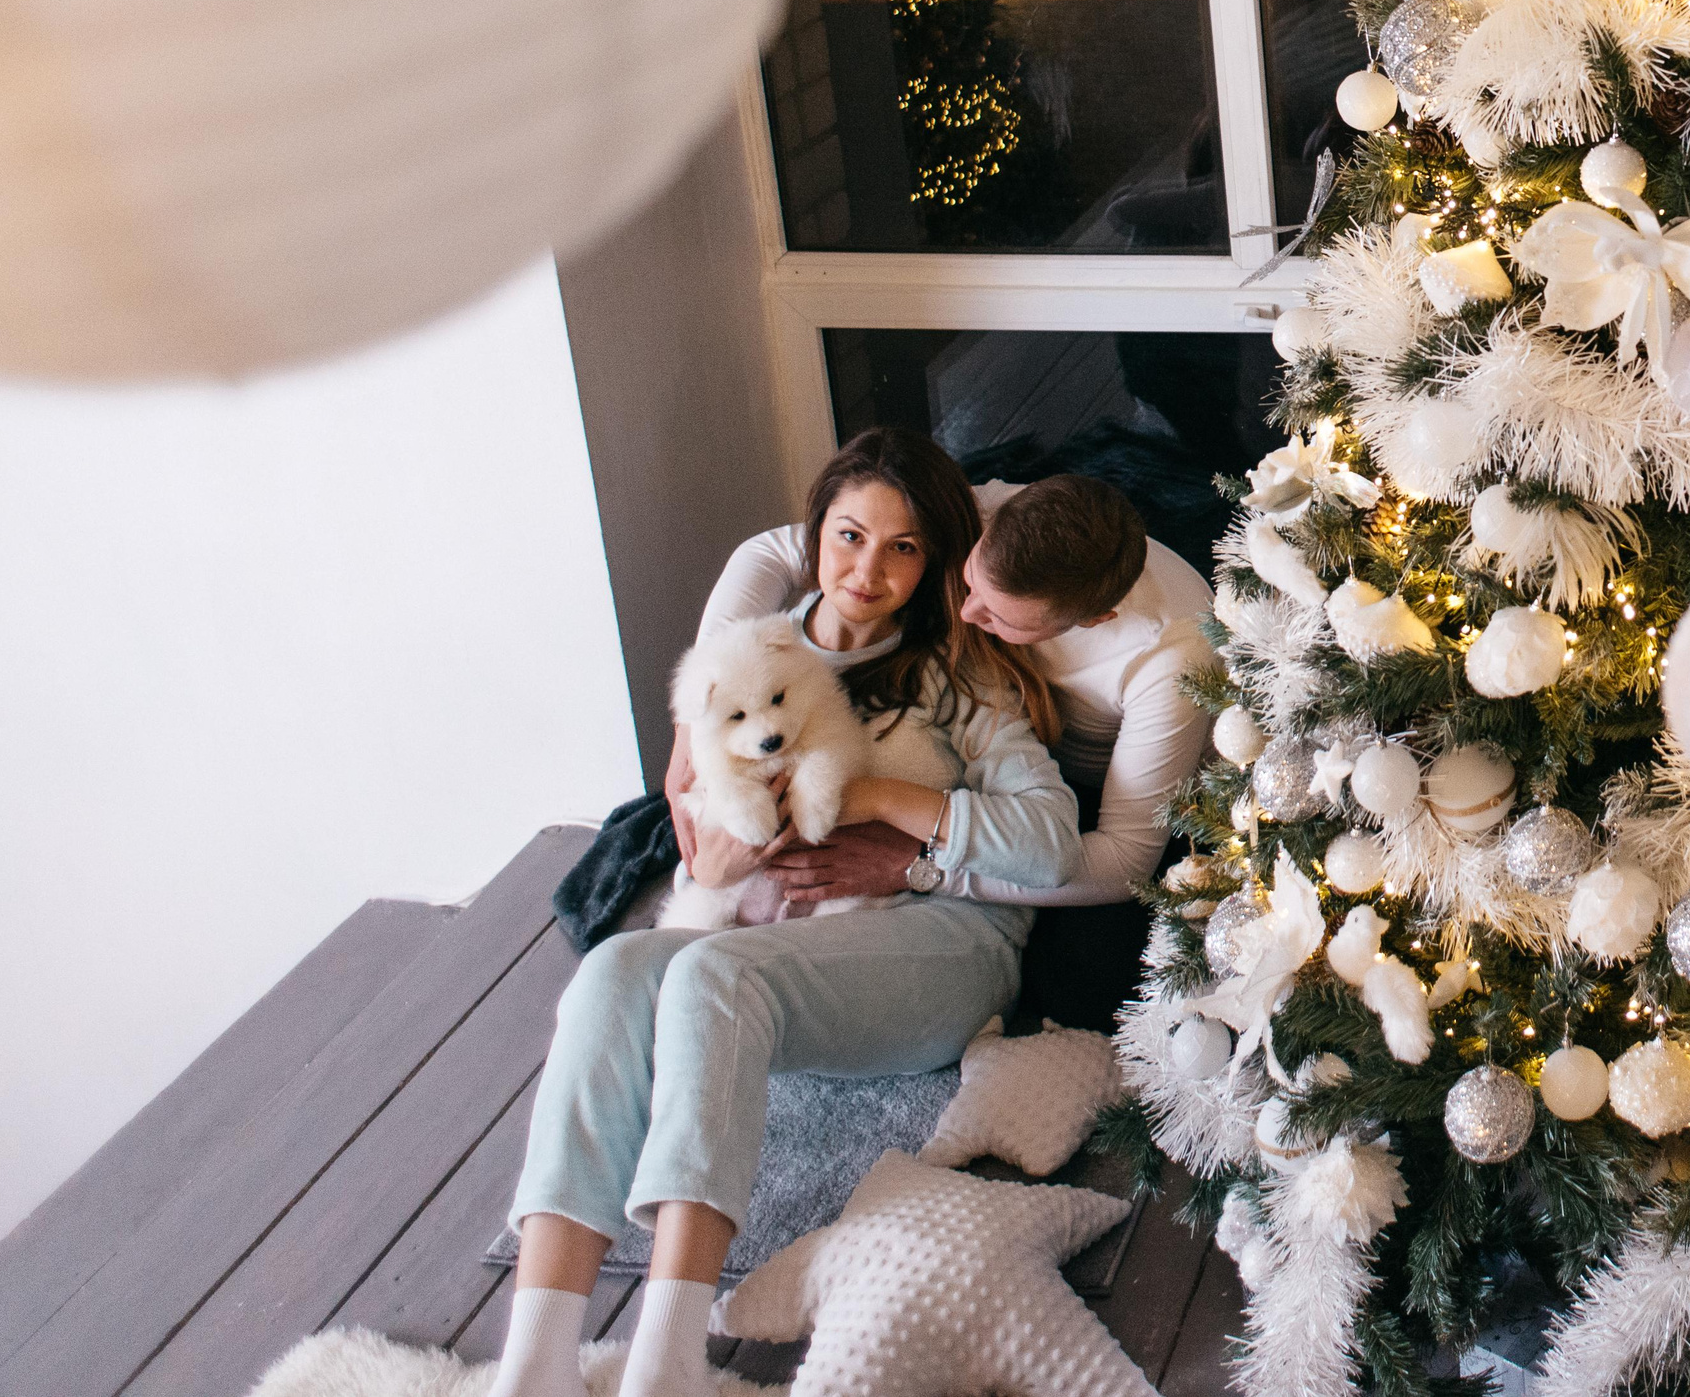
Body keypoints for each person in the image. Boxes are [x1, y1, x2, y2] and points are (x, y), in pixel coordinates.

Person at [493, 429, 1079, 1397]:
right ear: (813, 536)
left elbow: (1050, 843)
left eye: (903, 547)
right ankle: (534, 1361)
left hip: (936, 947)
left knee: (715, 975)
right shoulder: (742, 660)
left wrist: (889, 808)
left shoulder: (956, 676)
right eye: (849, 535)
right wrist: (726, 833)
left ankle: (668, 1358)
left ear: (934, 558)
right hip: (782, 950)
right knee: (614, 969)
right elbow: (705, 843)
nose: (867, 569)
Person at [671, 469, 1215, 1026]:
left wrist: (919, 864)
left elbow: (1123, 859)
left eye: (998, 616)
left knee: (1090, 993)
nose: (965, 614)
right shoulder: (988, 511)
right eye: (972, 579)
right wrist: (689, 734)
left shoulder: (1172, 661)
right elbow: (771, 553)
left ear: (1094, 620)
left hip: (1126, 798)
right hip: (1003, 741)